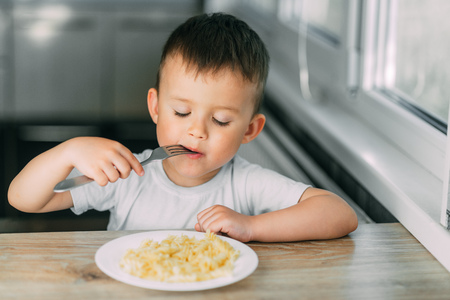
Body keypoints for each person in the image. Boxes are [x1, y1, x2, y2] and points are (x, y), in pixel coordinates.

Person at [8, 13, 357, 242]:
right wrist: (68, 150)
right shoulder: (129, 175)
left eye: (220, 120)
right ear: (156, 107)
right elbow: (24, 200)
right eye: (180, 112)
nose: (197, 132)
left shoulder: (246, 183)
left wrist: (252, 227)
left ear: (250, 130)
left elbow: (340, 214)